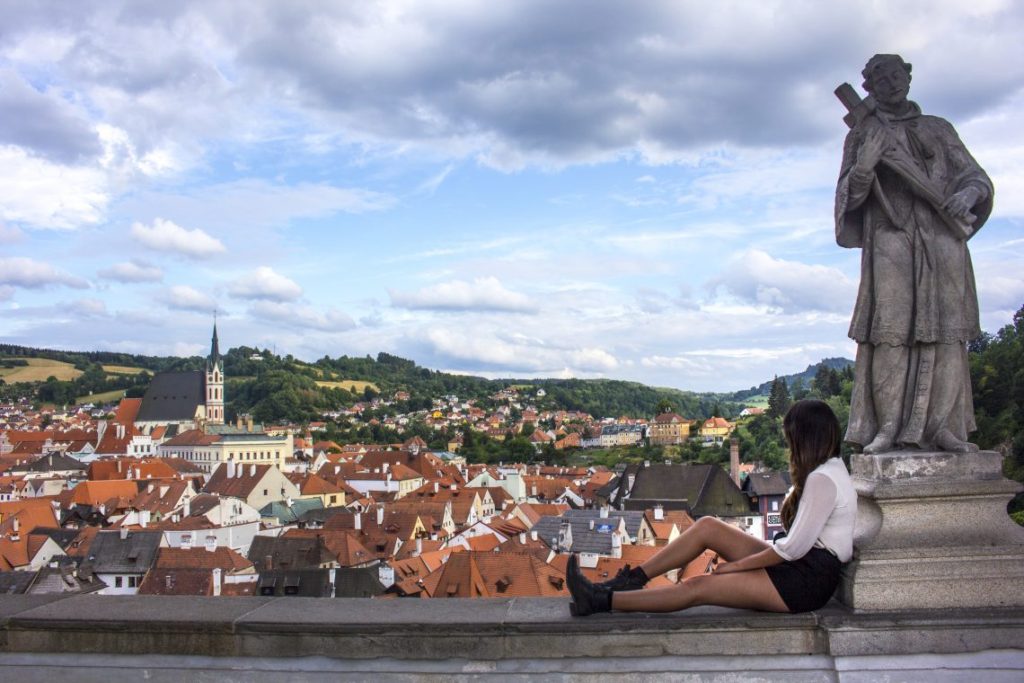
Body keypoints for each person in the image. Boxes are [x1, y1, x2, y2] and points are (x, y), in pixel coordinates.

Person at [836, 54, 993, 455]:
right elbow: (847, 203)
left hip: (942, 242)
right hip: (892, 240)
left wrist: (966, 194)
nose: (890, 83)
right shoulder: (862, 134)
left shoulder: (937, 129)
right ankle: (886, 427)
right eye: (879, 78)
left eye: (895, 74)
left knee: (947, 335)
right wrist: (865, 168)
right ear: (868, 87)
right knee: (889, 333)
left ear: (907, 77)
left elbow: (975, 176)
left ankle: (943, 428)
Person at [566, 400, 857, 616]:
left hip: (805, 582)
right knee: (707, 526)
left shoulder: (822, 479)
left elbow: (792, 549)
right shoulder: (831, 470)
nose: (789, 446)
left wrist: (735, 567)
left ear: (804, 439)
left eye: (791, 438)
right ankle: (631, 580)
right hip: (801, 567)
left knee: (699, 587)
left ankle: (600, 600)